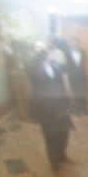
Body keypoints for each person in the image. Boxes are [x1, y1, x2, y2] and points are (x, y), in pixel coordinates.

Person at [25, 41, 72, 169]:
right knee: (50, 136)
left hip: (60, 106)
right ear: (34, 52)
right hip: (45, 109)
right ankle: (54, 162)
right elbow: (30, 71)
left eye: (43, 48)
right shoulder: (32, 67)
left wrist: (67, 99)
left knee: (64, 132)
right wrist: (37, 56)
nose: (42, 51)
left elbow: (62, 81)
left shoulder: (54, 64)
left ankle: (62, 155)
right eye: (38, 49)